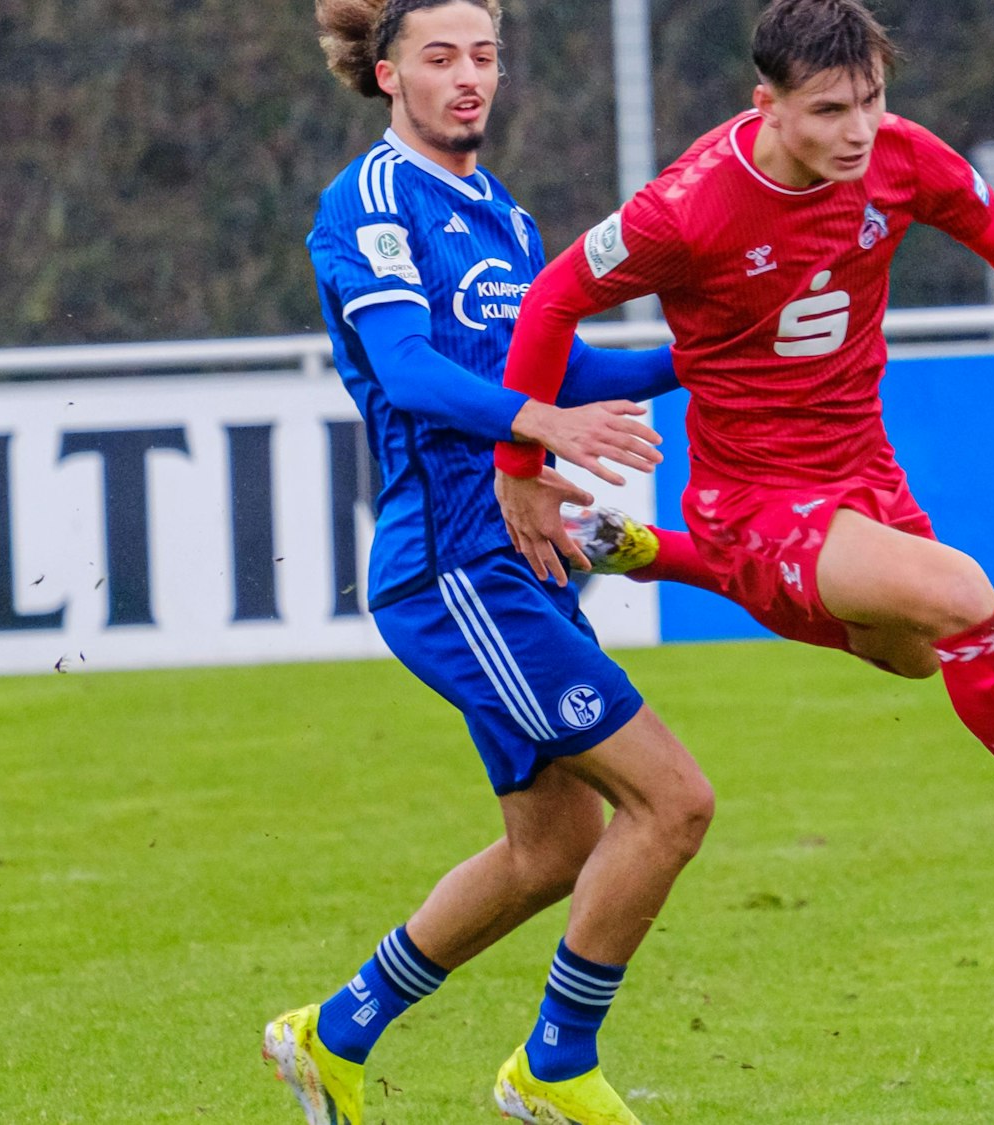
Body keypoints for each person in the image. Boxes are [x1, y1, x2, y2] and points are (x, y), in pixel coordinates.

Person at [497, 0, 994, 905]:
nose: (858, 130)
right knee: (962, 595)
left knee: (914, 655)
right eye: (828, 110)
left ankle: (660, 553)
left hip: (863, 466)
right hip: (753, 495)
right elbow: (550, 301)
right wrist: (521, 467)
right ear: (766, 104)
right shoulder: (685, 208)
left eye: (870, 99)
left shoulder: (898, 152)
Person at [265, 2, 702, 1123]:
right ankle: (552, 1070)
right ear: (384, 74)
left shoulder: (500, 216)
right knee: (672, 803)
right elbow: (407, 369)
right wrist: (542, 425)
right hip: (453, 566)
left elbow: (573, 366)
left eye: (486, 57)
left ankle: (334, 1032)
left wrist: (701, 350)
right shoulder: (366, 205)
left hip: (517, 561)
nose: (470, 78)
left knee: (554, 846)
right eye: (441, 57)